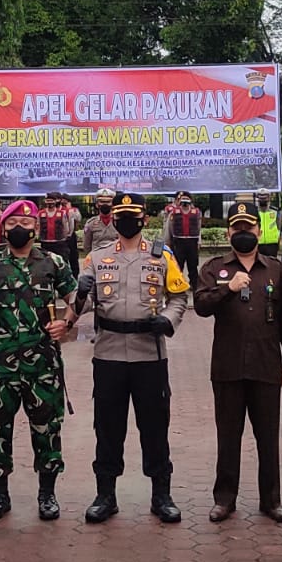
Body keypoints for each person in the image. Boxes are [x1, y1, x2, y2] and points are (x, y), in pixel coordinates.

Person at [74, 192, 191, 524]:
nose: (126, 221)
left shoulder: (161, 255)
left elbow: (179, 296)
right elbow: (80, 305)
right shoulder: (97, 258)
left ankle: (161, 495)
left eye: (132, 216)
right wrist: (79, 292)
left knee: (155, 426)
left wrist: (168, 319)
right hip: (108, 353)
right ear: (114, 218)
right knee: (107, 427)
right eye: (120, 215)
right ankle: (105, 495)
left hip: (149, 354)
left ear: (144, 219)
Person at [0, 199, 77, 522]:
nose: (19, 229)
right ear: (3, 228)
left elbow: (76, 298)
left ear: (36, 228)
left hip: (42, 364)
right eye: (12, 224)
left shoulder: (53, 262)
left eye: (26, 224)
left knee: (47, 428)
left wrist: (66, 323)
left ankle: (47, 494)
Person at [194, 199, 282, 523]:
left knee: (268, 437)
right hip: (228, 366)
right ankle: (224, 499)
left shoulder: (276, 269)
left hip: (266, 365)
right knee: (228, 436)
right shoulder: (214, 268)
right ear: (229, 232)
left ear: (258, 229)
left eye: (248, 227)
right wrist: (228, 288)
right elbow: (201, 305)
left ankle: (271, 500)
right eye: (237, 227)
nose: (243, 232)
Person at [82, 187, 118, 254]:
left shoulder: (119, 222)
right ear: (97, 204)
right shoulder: (91, 223)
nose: (105, 204)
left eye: (108, 202)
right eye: (102, 202)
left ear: (113, 204)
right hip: (97, 257)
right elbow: (87, 246)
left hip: (116, 257)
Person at [255, 189, 281, 258]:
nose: (263, 200)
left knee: (272, 263)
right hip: (258, 243)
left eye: (265, 198)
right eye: (261, 198)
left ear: (269, 198)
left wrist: (279, 239)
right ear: (258, 199)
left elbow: (279, 226)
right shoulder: (254, 212)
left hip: (272, 243)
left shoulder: (275, 211)